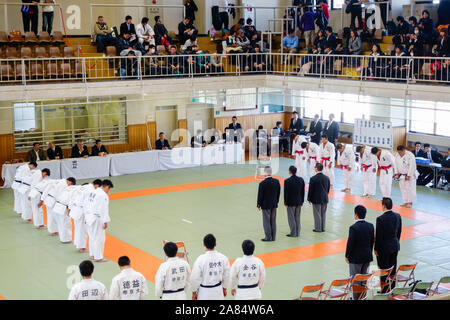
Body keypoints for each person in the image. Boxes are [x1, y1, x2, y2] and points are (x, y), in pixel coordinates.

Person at [345, 205, 374, 300]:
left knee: (356, 280)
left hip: (356, 258)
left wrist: (347, 255)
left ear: (356, 215)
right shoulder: (370, 226)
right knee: (364, 279)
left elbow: (350, 243)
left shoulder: (353, 228)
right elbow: (371, 241)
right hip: (367, 256)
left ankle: (357, 298)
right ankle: (363, 297)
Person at [191, 234, 230, 300]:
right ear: (215, 244)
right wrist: (224, 288)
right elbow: (227, 275)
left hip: (204, 293)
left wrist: (194, 292)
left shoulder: (200, 259)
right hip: (218, 292)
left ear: (204, 244)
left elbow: (195, 277)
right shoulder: (223, 258)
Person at [375, 197, 402, 292]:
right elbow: (399, 232)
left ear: (383, 206)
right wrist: (396, 242)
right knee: (393, 268)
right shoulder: (397, 216)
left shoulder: (380, 219)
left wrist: (376, 249)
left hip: (384, 248)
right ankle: (392, 288)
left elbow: (379, 236)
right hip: (394, 246)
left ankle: (384, 290)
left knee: (384, 270)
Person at [84, 179, 114, 262]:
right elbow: (102, 209)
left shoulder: (92, 192)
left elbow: (86, 204)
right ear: (106, 186)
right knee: (99, 238)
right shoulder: (102, 195)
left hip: (89, 217)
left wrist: (86, 216)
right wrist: (105, 221)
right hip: (97, 219)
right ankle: (98, 257)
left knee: (92, 237)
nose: (108, 191)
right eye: (109, 189)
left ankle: (93, 254)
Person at [70, 179, 102, 253]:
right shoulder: (90, 190)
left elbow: (73, 196)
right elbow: (86, 204)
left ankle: (78, 245)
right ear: (97, 185)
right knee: (82, 230)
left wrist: (70, 207)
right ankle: (81, 247)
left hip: (75, 208)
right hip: (81, 211)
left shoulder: (83, 187)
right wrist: (87, 216)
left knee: (78, 229)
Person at [257, 166, 280, 242]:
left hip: (266, 205)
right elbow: (278, 193)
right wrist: (276, 201)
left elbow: (260, 195)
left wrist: (258, 204)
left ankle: (268, 237)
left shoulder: (262, 183)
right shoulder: (276, 181)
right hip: (274, 204)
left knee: (266, 221)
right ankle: (273, 237)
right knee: (273, 221)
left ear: (265, 173)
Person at [52, 177, 77, 243]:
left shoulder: (66, 188)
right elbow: (71, 201)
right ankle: (67, 239)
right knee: (66, 223)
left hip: (57, 205)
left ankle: (63, 238)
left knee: (60, 223)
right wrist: (69, 209)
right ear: (71, 183)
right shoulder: (72, 189)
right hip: (63, 207)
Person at [307, 163, 330, 233]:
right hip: (325, 198)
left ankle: (318, 228)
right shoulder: (327, 178)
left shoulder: (313, 179)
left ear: (316, 168)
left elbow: (311, 190)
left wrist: (309, 198)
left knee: (317, 214)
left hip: (316, 199)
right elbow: (328, 188)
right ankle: (323, 228)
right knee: (323, 213)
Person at [284, 166, 305, 237]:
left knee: (291, 218)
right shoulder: (301, 180)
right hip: (299, 202)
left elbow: (286, 193)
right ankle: (298, 232)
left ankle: (293, 233)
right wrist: (302, 201)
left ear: (289, 171)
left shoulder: (287, 181)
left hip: (290, 202)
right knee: (297, 217)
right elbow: (302, 191)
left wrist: (285, 203)